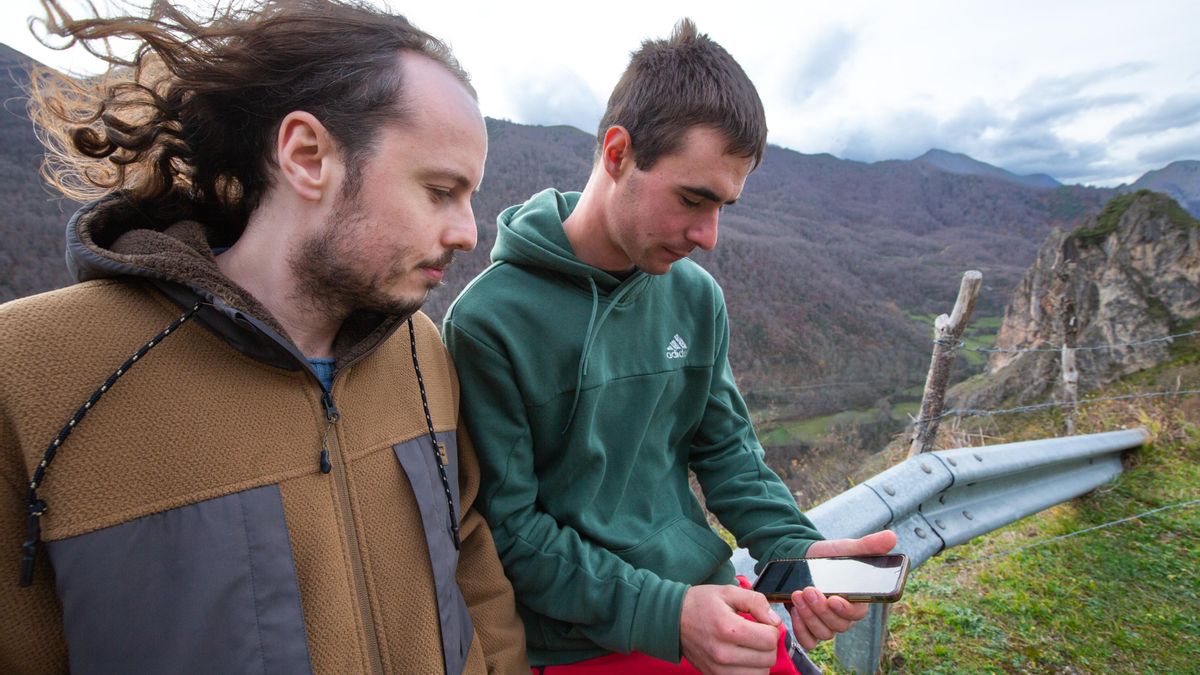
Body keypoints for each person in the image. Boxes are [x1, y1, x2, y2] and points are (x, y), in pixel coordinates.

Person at [0, 1, 527, 672]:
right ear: (307, 156)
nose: (467, 232)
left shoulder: (421, 351)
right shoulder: (33, 372)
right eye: (440, 190)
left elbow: (469, 557)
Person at [443, 19, 896, 674]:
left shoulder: (695, 299)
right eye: (693, 198)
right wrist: (667, 614)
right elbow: (512, 534)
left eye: (724, 207)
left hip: (703, 599)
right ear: (618, 152)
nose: (709, 235)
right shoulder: (490, 323)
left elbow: (728, 454)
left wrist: (796, 552)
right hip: (581, 639)